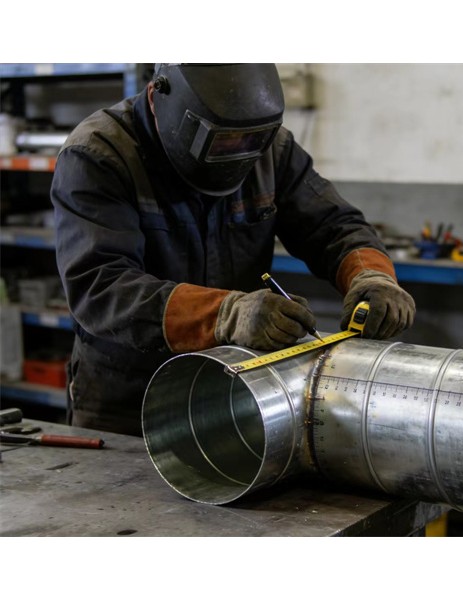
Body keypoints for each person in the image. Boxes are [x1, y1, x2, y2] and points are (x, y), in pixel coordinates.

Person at [50, 63, 416, 436]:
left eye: (250, 141)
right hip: (130, 399)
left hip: (235, 386)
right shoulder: (100, 153)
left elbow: (333, 225)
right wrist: (226, 315)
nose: (240, 152)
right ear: (160, 98)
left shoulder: (269, 147)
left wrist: (371, 276)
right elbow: (100, 287)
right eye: (223, 141)